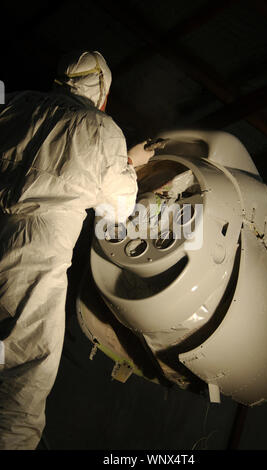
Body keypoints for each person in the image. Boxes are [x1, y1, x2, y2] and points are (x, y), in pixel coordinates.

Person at [0, 50, 154, 450]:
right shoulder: (103, 130)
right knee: (23, 376)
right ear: (102, 91)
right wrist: (127, 163)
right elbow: (117, 211)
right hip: (31, 255)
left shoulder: (15, 102)